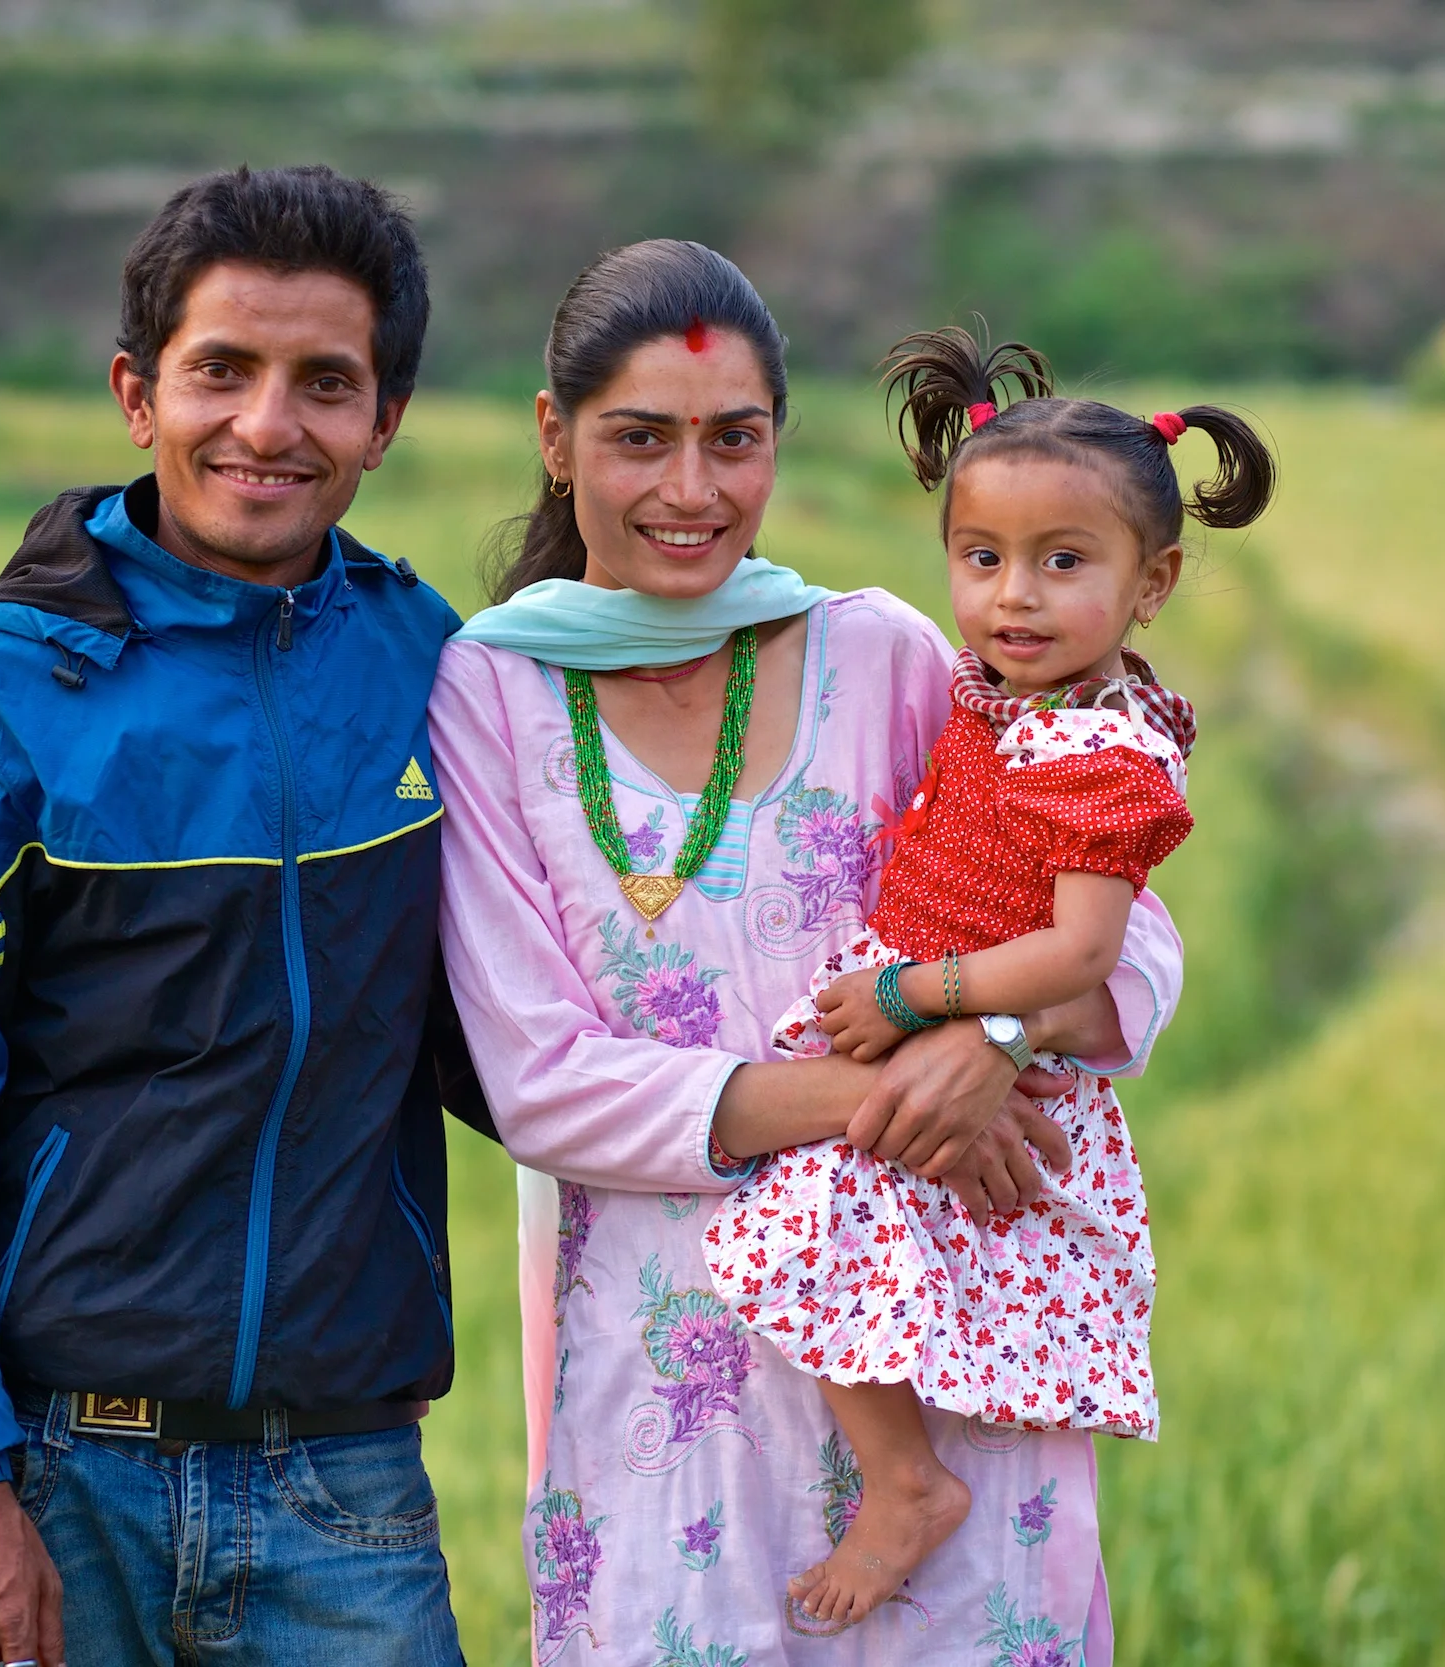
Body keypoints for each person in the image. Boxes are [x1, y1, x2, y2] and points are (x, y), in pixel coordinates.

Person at [430, 239, 1191, 1664]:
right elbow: (538, 1084)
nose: (691, 490)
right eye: (639, 439)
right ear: (554, 436)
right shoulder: (490, 689)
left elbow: (1129, 936)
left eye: (736, 439)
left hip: (947, 1355)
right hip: (678, 1392)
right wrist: (891, 1095)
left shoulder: (886, 655)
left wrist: (997, 1033)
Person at [0, 165, 488, 1667]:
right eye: (222, 372)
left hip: (349, 1482)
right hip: (57, 1478)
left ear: (385, 421)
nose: (269, 426)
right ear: (139, 393)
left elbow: (531, 1017)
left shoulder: (435, 663)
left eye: (326, 383)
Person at [706, 326, 1278, 1625]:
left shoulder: (1103, 746)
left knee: (807, 1223)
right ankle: (905, 1477)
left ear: (1154, 581)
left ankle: (909, 1485)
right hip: (938, 1005)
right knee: (843, 1241)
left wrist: (921, 998)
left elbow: (1085, 949)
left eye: (1062, 563)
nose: (1013, 596)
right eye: (982, 559)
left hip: (969, 1025)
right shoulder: (1019, 689)